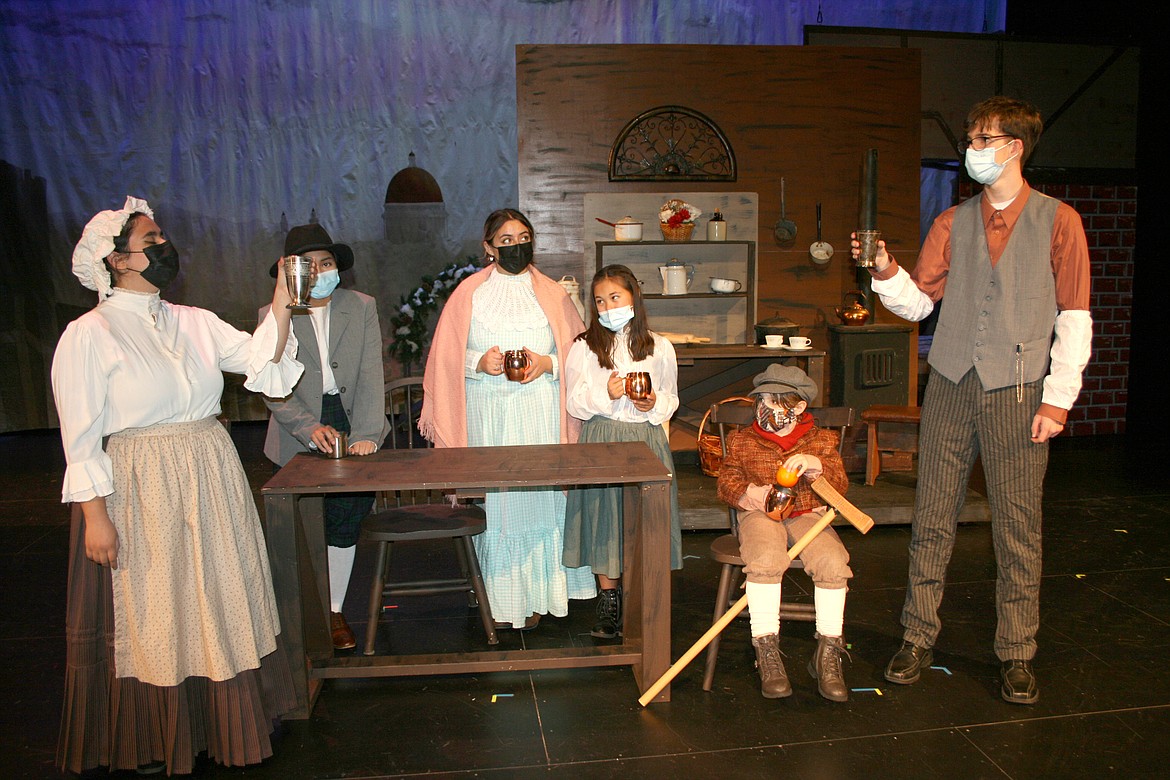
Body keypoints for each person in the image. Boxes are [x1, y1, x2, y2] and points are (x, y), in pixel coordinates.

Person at [52, 196, 305, 775]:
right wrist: (94, 514)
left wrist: (283, 304)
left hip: (207, 469)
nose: (165, 246)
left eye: (164, 236)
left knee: (215, 594)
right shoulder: (89, 334)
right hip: (143, 481)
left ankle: (224, 723)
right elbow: (81, 432)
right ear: (117, 261)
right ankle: (154, 735)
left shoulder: (191, 319)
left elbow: (258, 361)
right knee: (157, 605)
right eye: (152, 238)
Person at [853, 96, 1092, 705]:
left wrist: (1057, 400)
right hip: (952, 383)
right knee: (931, 517)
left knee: (1018, 527)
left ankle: (1016, 652)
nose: (973, 148)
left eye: (984, 138)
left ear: (1015, 147)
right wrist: (884, 270)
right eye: (972, 138)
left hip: (1018, 389)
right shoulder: (952, 222)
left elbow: (1075, 318)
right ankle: (916, 636)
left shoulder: (1059, 221)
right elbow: (918, 305)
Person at [418, 208, 595, 630]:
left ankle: (541, 596)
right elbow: (443, 358)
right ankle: (499, 599)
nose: (516, 245)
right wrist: (479, 361)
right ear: (488, 247)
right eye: (506, 239)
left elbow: (583, 355)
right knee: (501, 506)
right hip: (488, 413)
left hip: (540, 412)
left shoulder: (553, 294)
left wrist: (548, 363)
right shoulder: (468, 294)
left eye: (523, 237)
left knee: (538, 501)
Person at [261, 223, 390, 651]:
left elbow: (372, 375)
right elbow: (271, 386)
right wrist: (306, 427)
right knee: (305, 523)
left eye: (328, 263)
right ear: (290, 271)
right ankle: (303, 614)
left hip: (351, 415)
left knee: (346, 515)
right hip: (298, 423)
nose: (321, 272)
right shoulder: (273, 314)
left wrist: (370, 433)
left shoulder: (362, 306)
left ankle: (334, 610)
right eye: (309, 265)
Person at [716, 365, 853, 701]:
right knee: (765, 559)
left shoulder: (821, 441)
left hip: (809, 515)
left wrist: (815, 467)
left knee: (834, 563)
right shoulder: (742, 439)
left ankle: (828, 653)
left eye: (777, 402)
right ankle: (767, 650)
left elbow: (840, 487)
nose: (767, 408)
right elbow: (726, 483)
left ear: (799, 407)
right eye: (762, 400)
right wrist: (751, 493)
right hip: (760, 513)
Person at [563, 264, 682, 639]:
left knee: (645, 519)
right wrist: (606, 394)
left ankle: (643, 596)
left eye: (615, 297)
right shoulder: (585, 346)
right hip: (602, 440)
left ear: (633, 297)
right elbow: (574, 402)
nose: (608, 305)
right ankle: (609, 599)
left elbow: (671, 397)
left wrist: (652, 404)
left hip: (644, 441)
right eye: (600, 300)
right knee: (605, 518)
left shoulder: (659, 347)